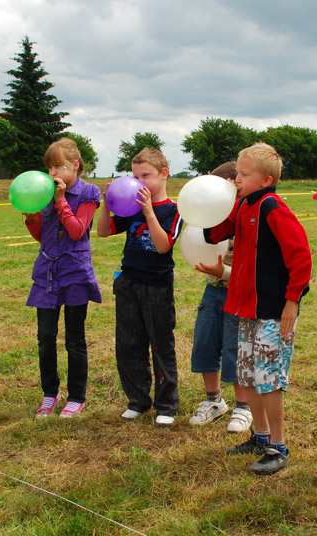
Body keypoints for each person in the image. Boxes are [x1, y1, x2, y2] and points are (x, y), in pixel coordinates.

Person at [205, 142, 312, 475]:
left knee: (269, 379)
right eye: (236, 172)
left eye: (243, 174)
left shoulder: (273, 209)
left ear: (266, 180)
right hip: (245, 310)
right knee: (247, 375)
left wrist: (292, 300)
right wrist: (213, 206)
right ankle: (260, 436)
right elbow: (214, 234)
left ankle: (278, 447)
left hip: (272, 313)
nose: (236, 179)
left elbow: (302, 258)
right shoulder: (243, 206)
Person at [97, 147, 182, 428]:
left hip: (157, 286)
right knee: (129, 344)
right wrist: (107, 203)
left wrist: (148, 211)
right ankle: (137, 400)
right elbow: (103, 231)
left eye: (145, 175)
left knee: (161, 345)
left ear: (163, 174)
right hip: (128, 283)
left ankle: (166, 404)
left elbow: (162, 246)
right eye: (135, 175)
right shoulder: (128, 205)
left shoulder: (173, 209)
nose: (138, 181)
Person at [23, 138, 102, 418]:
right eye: (49, 168)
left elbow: (77, 230)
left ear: (75, 166)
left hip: (75, 273)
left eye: (59, 166)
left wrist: (60, 202)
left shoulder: (89, 192)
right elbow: (41, 237)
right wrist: (32, 219)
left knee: (74, 339)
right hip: (47, 274)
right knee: (45, 337)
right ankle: (50, 393)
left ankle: (76, 396)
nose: (53, 174)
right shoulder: (44, 194)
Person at [188, 161, 253, 433]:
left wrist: (223, 272)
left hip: (238, 293)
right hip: (213, 290)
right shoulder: (213, 219)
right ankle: (214, 401)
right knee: (204, 343)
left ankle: (243, 406)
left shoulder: (248, 218)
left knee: (234, 350)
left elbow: (250, 269)